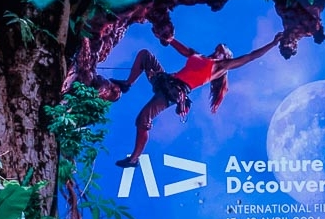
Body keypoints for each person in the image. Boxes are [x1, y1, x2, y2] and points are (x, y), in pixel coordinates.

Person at [110, 32, 282, 167]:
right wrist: (169, 39)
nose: (224, 46)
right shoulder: (200, 57)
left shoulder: (220, 67)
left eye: (227, 50)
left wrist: (273, 43)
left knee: (143, 119)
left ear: (227, 57)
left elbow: (251, 56)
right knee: (145, 55)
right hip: (165, 80)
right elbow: (184, 50)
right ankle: (127, 84)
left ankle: (134, 159)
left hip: (173, 92)